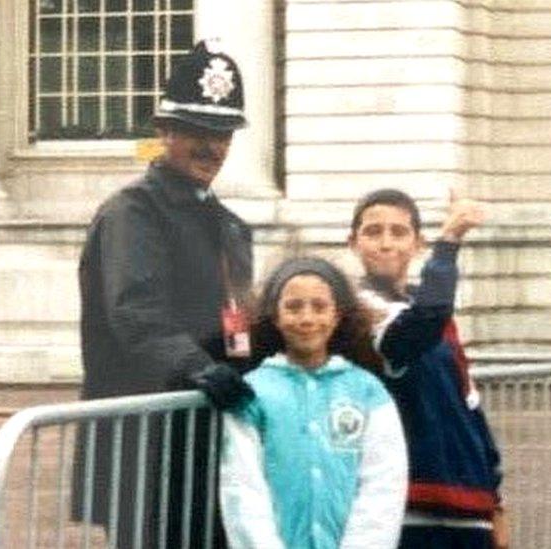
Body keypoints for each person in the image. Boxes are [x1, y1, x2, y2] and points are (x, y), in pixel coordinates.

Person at [72, 40, 255, 548]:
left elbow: (237, 319)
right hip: (147, 446)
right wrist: (199, 367)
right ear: (165, 131)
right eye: (197, 131)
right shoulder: (133, 212)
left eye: (222, 134)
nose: (211, 148)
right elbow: (135, 312)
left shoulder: (228, 225)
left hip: (209, 441)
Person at [348, 189, 509, 549]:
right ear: (353, 243)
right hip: (408, 505)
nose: (386, 243)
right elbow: (417, 328)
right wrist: (449, 241)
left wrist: (495, 500)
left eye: (399, 232)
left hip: (469, 503)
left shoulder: (431, 309)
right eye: (373, 232)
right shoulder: (359, 311)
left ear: (417, 243)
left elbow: (469, 404)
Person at [219, 257, 408, 549]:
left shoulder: (368, 392)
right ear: (275, 315)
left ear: (337, 315)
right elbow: (243, 489)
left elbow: (383, 486)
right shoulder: (252, 393)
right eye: (293, 307)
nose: (307, 319)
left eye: (319, 307)